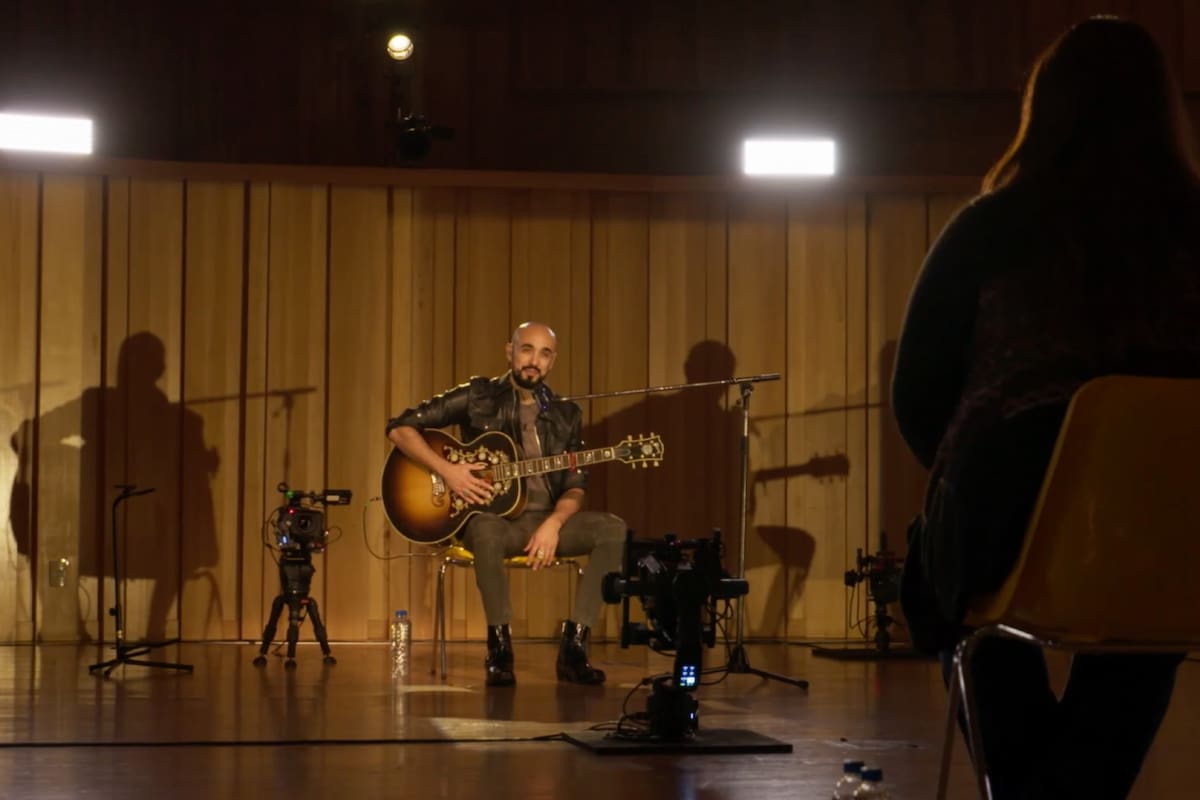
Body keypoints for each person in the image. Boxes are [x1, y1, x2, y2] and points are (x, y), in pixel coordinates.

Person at [892, 16, 1200, 799]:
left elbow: (917, 394)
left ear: (1046, 107)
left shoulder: (992, 227)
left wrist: (973, 477)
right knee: (1145, 618)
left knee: (957, 597)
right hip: (1169, 525)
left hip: (1008, 515)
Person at [386, 321, 625, 686]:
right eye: (527, 349)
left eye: (544, 354)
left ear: (553, 361)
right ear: (509, 352)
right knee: (484, 530)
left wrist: (554, 524)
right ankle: (499, 647)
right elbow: (400, 428)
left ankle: (574, 645)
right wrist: (448, 472)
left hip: (546, 525)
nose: (534, 361)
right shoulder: (478, 396)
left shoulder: (566, 414)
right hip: (496, 524)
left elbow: (576, 486)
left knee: (613, 529)